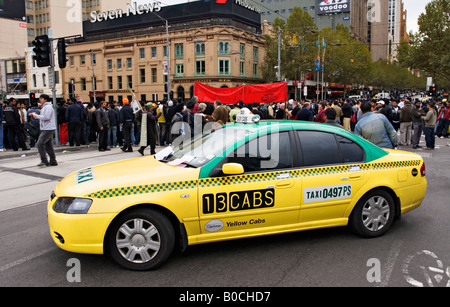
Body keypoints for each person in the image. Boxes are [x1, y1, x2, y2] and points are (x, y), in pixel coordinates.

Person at [29, 94, 57, 167]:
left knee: (40, 144)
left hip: (48, 128)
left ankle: (44, 161)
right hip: (47, 128)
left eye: (41, 98)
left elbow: (46, 117)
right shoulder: (45, 107)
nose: (40, 100)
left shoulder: (47, 107)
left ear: (45, 100)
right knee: (48, 145)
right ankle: (53, 161)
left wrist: (36, 116)